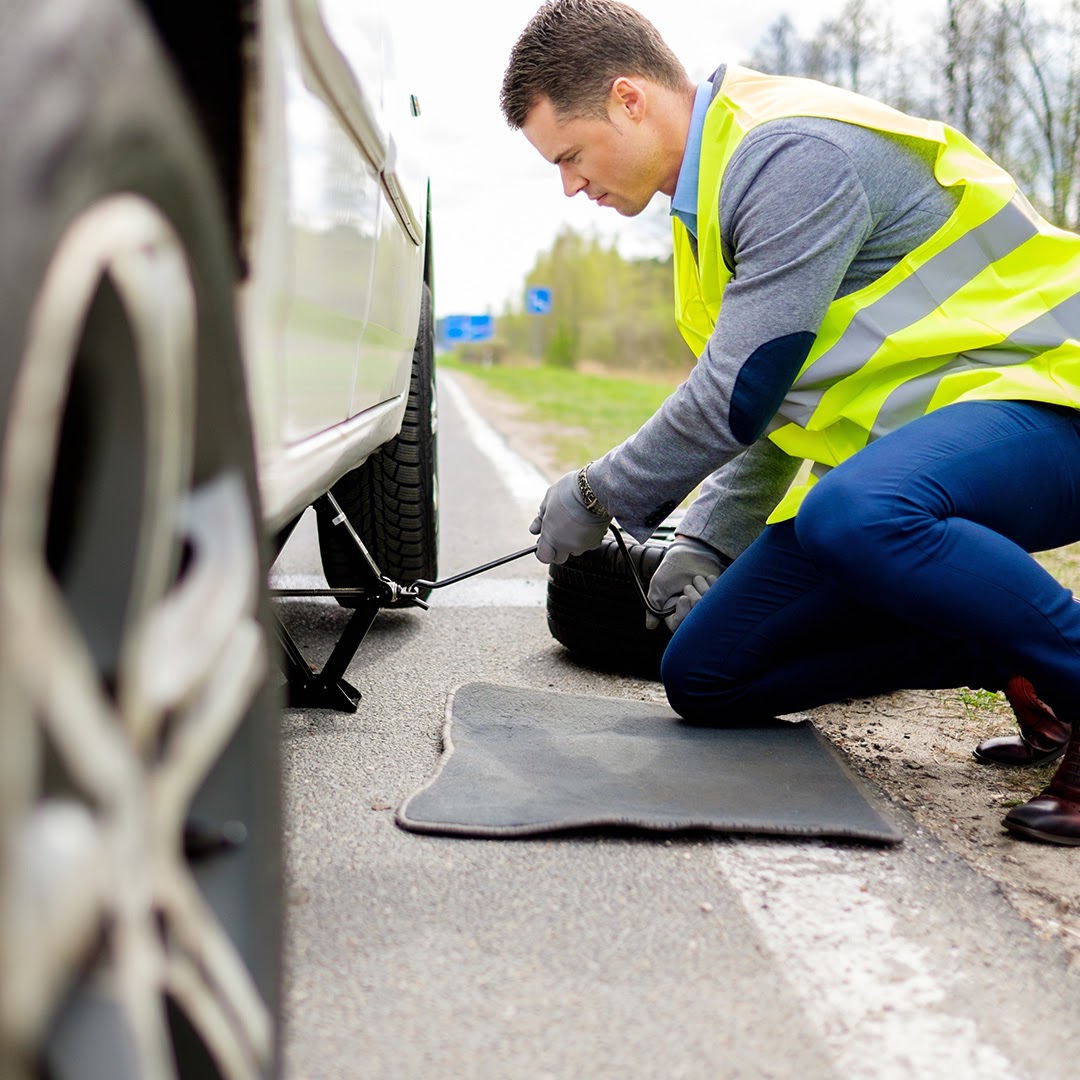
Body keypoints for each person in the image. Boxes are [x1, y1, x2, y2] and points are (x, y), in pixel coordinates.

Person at [500, 0, 1080, 846]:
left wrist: (598, 494)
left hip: (1052, 402)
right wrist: (706, 537)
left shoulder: (789, 154)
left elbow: (737, 390)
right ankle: (1018, 655)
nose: (570, 185)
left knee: (854, 512)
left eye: (571, 155)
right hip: (930, 460)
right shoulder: (702, 215)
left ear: (630, 99)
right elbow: (774, 408)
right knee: (707, 674)